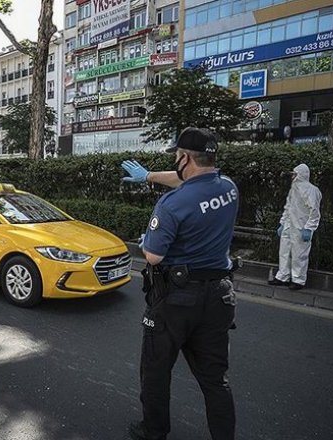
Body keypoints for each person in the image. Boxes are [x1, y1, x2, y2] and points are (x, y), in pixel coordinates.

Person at [121, 127, 239, 440]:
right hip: (219, 297)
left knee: (156, 370)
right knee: (215, 380)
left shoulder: (171, 204)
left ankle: (154, 431)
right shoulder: (228, 188)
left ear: (185, 158)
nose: (175, 161)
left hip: (176, 301)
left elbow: (154, 256)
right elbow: (191, 185)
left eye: (177, 155)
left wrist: (148, 241)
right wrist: (148, 176)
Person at [269, 163, 322, 290]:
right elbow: (288, 207)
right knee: (284, 252)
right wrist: (283, 223)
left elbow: (314, 211)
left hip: (301, 227)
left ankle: (298, 280)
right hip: (289, 225)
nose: (292, 176)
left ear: (301, 175)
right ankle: (283, 276)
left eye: (295, 174)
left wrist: (309, 228)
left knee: (299, 254)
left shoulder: (311, 190)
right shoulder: (294, 188)